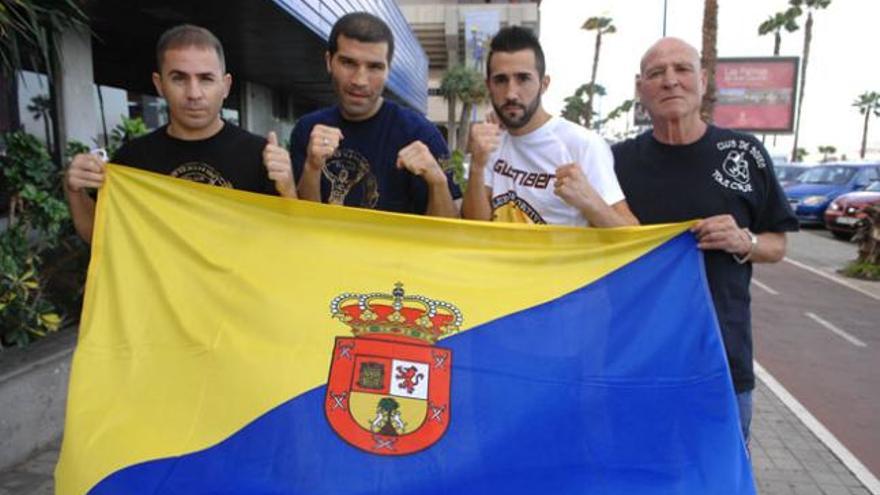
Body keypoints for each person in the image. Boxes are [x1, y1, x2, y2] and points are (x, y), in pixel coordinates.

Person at [612, 37, 799, 444]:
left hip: (722, 364)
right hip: (639, 362)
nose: (670, 81)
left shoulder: (744, 153)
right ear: (641, 87)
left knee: (720, 478)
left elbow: (778, 244)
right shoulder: (615, 161)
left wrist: (743, 240)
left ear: (703, 78)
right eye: (656, 73)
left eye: (681, 69)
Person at [65, 24, 295, 243]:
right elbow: (102, 237)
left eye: (206, 79)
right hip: (159, 285)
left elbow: (290, 239)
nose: (194, 93)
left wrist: (287, 188)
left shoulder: (259, 155)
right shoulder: (133, 159)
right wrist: (75, 190)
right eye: (179, 78)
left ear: (225, 86)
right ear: (159, 84)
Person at [461, 26, 636, 227]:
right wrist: (476, 165)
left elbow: (631, 233)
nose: (511, 93)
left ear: (544, 84)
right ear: (489, 86)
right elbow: (476, 227)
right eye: (501, 80)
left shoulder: (582, 144)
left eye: (523, 78)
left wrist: (592, 204)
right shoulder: (491, 142)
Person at [289, 12, 460, 217]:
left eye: (374, 67)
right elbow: (303, 222)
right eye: (348, 63)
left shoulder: (421, 133)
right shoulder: (307, 129)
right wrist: (312, 167)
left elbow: (450, 231)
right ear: (329, 62)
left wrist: (438, 182)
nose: (360, 80)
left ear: (388, 70)